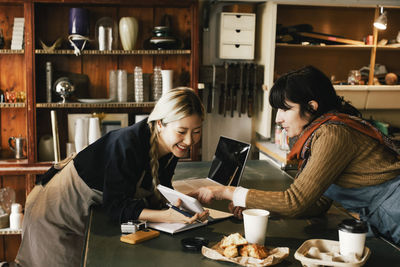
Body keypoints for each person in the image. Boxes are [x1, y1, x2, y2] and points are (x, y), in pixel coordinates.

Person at [189, 66, 400, 245]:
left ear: (312, 107)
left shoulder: (332, 134)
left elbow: (295, 201)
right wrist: (261, 206)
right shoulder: (320, 132)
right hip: (383, 217)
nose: (278, 118)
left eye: (285, 109)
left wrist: (227, 191)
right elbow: (316, 202)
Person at [16, 88, 208, 267]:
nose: (190, 140)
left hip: (83, 213)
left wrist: (184, 205)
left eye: (196, 132)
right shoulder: (127, 145)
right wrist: (166, 216)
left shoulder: (172, 148)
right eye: (181, 132)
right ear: (160, 124)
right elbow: (115, 206)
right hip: (53, 214)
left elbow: (159, 190)